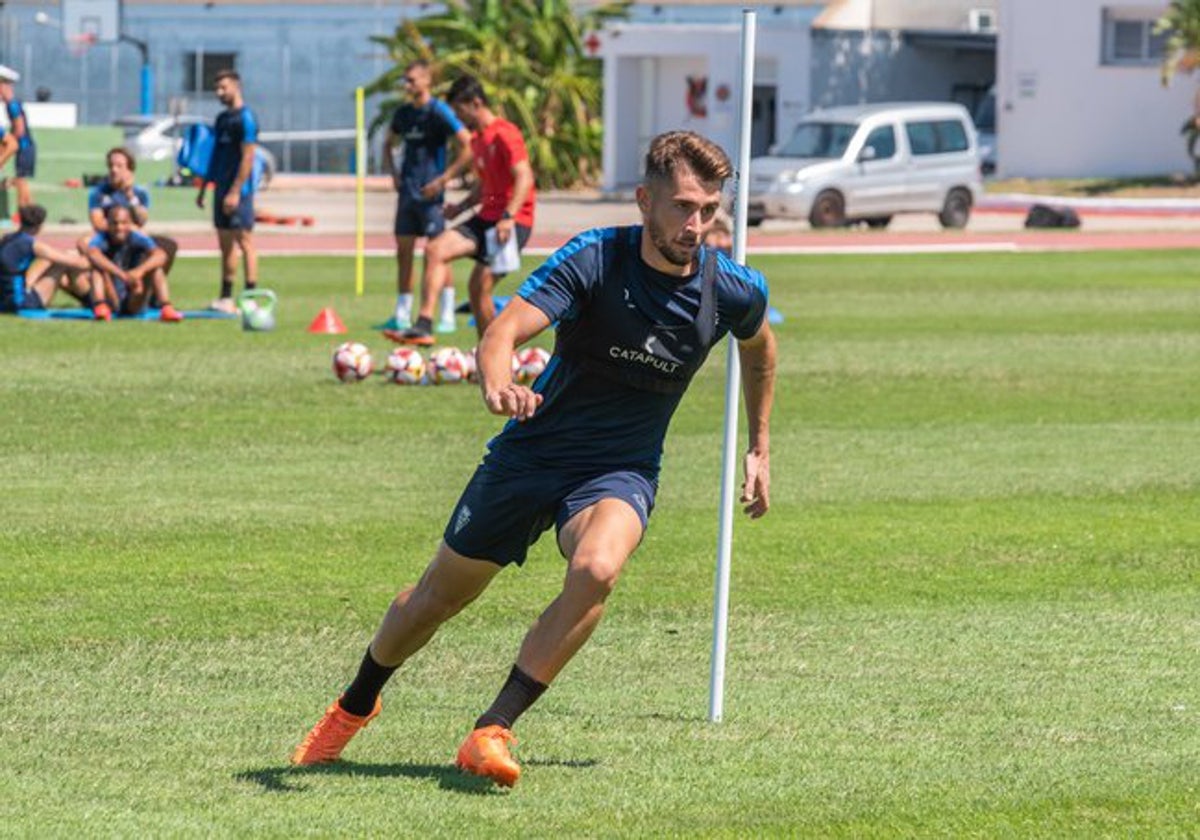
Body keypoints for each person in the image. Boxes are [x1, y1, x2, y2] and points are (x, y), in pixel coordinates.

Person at [292, 130, 776, 788]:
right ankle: (353, 707)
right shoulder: (595, 260)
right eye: (682, 207)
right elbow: (504, 331)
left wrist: (758, 445)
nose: (696, 225)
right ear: (644, 200)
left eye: (709, 209)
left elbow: (759, 346)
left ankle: (493, 729)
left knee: (598, 568)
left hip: (620, 469)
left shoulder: (733, 289)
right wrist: (496, 384)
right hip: (532, 452)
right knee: (433, 602)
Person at [389, 74, 536, 346]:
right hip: (486, 218)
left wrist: (508, 217)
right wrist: (461, 207)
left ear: (476, 102)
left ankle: (495, 355)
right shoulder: (478, 140)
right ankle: (423, 324)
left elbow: (524, 177)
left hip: (512, 224)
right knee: (435, 250)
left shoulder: (506, 133)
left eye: (460, 110)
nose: (458, 116)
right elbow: (485, 185)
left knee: (479, 288)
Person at [381, 59, 473, 332]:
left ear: (426, 80)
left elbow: (467, 144)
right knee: (404, 252)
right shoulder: (404, 114)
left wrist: (445, 178)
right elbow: (388, 143)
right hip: (408, 194)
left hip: (432, 197)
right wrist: (394, 174)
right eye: (405, 80)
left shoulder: (439, 111)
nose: (407, 85)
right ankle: (402, 312)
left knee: (437, 254)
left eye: (412, 80)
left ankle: (445, 313)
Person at [197, 69, 259, 314]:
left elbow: (248, 157)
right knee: (224, 245)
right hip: (220, 189)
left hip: (239, 191)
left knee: (245, 241)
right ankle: (225, 297)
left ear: (236, 85)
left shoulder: (247, 118)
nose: (219, 93)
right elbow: (215, 156)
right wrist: (205, 188)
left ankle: (251, 295)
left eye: (223, 87)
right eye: (217, 89)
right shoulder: (222, 119)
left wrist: (235, 191)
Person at [85, 147, 179, 276]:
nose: (114, 170)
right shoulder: (98, 192)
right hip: (107, 239)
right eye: (111, 166)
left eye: (119, 166)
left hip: (133, 239)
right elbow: (97, 223)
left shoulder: (140, 193)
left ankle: (148, 289)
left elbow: (142, 221)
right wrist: (124, 228)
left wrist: (130, 196)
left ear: (130, 170)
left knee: (166, 247)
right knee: (83, 242)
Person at [85, 205, 183, 322]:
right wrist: (122, 275)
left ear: (130, 223)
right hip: (110, 293)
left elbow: (160, 255)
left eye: (123, 223)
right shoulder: (102, 238)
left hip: (135, 292)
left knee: (156, 269)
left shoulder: (136, 237)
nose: (119, 227)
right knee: (96, 270)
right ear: (108, 223)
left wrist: (139, 271)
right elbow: (92, 254)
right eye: (115, 223)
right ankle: (101, 307)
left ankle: (166, 308)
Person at [0, 204, 98, 316]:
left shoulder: (7, 238)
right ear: (40, 226)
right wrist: (95, 255)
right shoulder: (33, 245)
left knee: (50, 260)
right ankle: (94, 301)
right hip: (20, 303)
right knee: (61, 263)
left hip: (3, 301)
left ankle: (29, 286)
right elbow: (79, 264)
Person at [0, 65, 35, 209]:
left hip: (24, 147)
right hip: (25, 146)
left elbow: (19, 129)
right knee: (22, 180)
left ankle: (25, 210)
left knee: (21, 180)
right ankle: (28, 211)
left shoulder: (12, 106)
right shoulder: (14, 104)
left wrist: (6, 145)